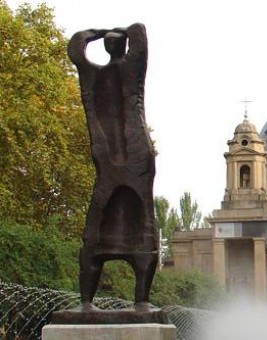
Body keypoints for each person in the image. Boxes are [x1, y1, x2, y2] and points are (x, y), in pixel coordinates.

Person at [68, 23, 157, 311]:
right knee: (141, 215)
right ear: (123, 46)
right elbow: (139, 35)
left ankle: (87, 302)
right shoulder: (131, 70)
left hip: (110, 155)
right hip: (133, 155)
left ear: (108, 46)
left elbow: (76, 47)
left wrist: (98, 31)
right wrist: (117, 29)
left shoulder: (92, 74)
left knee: (103, 214)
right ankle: (140, 301)